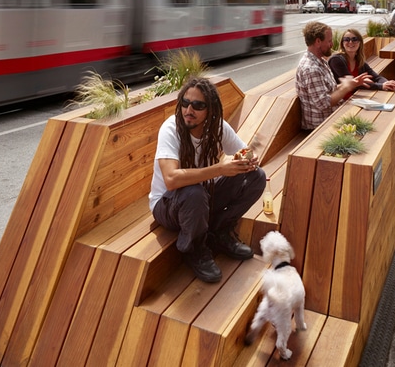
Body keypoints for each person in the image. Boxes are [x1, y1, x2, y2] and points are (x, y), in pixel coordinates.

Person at [149, 77, 266, 283]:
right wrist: (220, 169)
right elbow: (171, 179)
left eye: (198, 105)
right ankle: (195, 250)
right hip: (168, 204)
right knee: (194, 192)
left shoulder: (217, 126)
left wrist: (249, 159)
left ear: (210, 110)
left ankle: (220, 231)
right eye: (185, 103)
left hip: (201, 198)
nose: (189, 110)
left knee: (256, 176)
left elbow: (243, 150)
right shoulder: (170, 129)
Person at [295, 21, 374, 131]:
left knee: (373, 119)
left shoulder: (320, 61)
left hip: (333, 116)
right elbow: (324, 104)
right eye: (329, 41)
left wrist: (349, 84)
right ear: (318, 41)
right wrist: (346, 87)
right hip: (321, 127)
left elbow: (329, 90)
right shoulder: (311, 68)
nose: (332, 44)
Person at [329, 28, 395, 101]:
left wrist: (387, 83)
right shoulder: (336, 60)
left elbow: (376, 77)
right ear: (342, 43)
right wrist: (381, 86)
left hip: (357, 98)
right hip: (340, 101)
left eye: (354, 39)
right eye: (347, 39)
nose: (350, 42)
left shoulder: (359, 60)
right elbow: (353, 84)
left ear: (360, 43)